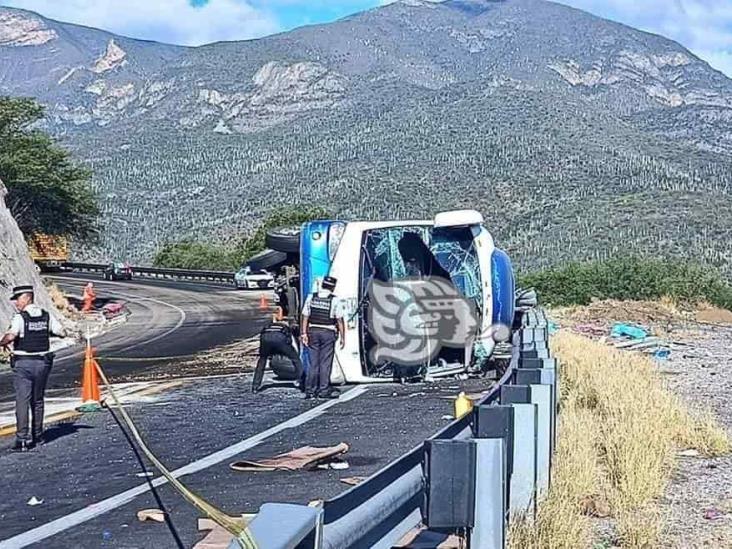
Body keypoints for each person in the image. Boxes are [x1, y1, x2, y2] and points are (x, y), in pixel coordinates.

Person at [0, 285, 66, 452]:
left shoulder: (20, 318)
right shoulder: (46, 316)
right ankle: (38, 435)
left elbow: (11, 335)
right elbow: (62, 332)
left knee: (23, 400)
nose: (16, 303)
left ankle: (22, 439)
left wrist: (2, 342)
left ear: (27, 298)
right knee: (38, 400)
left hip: (24, 363)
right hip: (43, 363)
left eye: (18, 299)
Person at [301, 276, 345, 400]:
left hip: (312, 332)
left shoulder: (311, 297)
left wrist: (303, 333)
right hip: (328, 332)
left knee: (313, 363)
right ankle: (323, 390)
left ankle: (310, 390)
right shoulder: (334, 300)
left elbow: (305, 316)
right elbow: (340, 320)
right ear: (333, 287)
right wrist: (343, 337)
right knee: (325, 363)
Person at [253, 306, 303, 393]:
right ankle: (302, 382)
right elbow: (289, 340)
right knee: (295, 359)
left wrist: (269, 353)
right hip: (280, 338)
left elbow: (262, 337)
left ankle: (255, 386)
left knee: (262, 361)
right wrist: (287, 351)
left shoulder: (268, 326)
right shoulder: (285, 326)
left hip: (265, 338)